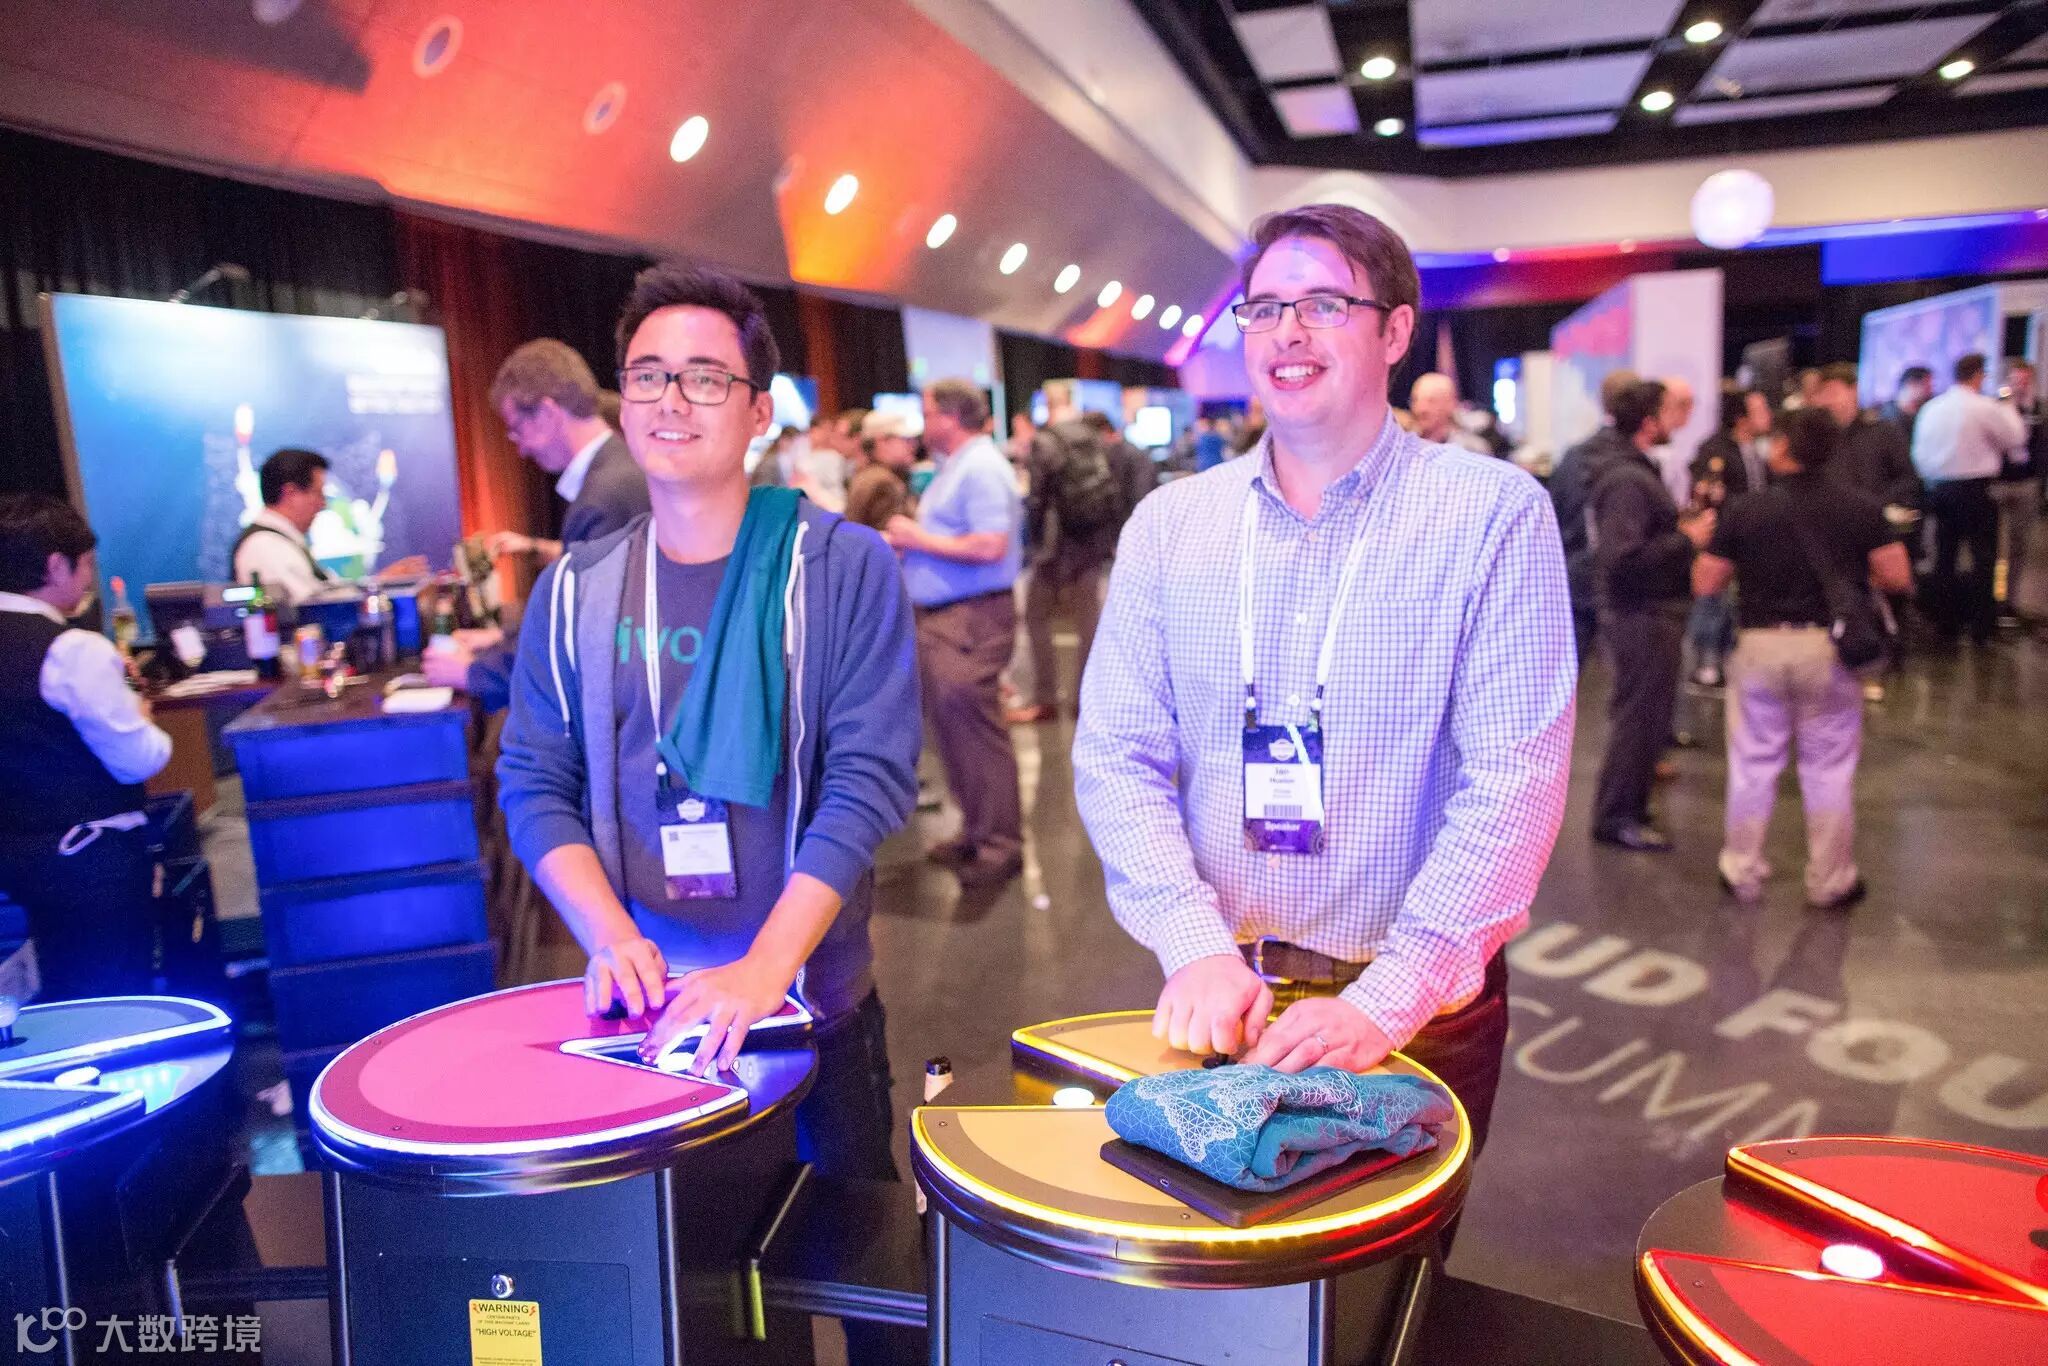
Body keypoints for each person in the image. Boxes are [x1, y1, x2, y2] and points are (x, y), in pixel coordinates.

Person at [1073, 203, 1574, 1163]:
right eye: (1263, 309)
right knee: (1213, 1244)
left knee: (1394, 1256)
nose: (1287, 333)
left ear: (1395, 330)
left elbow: (1515, 779)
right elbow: (1117, 753)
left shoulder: (1491, 513)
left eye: (1323, 304)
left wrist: (1390, 998)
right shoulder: (1172, 524)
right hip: (1219, 995)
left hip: (1415, 1008)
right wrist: (1191, 942)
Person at [495, 264, 921, 1364]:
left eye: (703, 376)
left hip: (813, 1007)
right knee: (708, 1308)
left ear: (757, 409)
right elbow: (533, 780)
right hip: (652, 1023)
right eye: (647, 375)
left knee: (866, 1291)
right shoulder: (578, 589)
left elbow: (865, 782)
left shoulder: (839, 569)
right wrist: (610, 937)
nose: (670, 400)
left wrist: (765, 967)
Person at [1693, 408, 1912, 908]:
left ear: (1783, 448)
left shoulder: (1747, 510)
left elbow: (1706, 582)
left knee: (1753, 762)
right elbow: (1897, 576)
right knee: (1828, 768)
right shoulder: (1860, 507)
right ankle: (1831, 879)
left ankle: (1741, 868)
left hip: (1760, 644)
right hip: (1828, 648)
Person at [0, 494, 172, 1000]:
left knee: (54, 1003)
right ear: (57, 565)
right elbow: (139, 759)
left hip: (16, 855)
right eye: (87, 565)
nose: (89, 580)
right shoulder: (71, 649)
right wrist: (138, 707)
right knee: (113, 999)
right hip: (88, 859)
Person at [423, 340, 652, 702]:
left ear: (546, 413)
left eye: (516, 428)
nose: (520, 447)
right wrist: (503, 639)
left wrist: (473, 672)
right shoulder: (616, 473)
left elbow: (581, 637)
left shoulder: (603, 498)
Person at [883, 379, 1025, 887]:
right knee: (955, 732)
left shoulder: (981, 467)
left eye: (927, 413)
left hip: (971, 618)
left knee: (976, 732)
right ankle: (977, 830)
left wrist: (917, 538)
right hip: (949, 617)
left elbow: (990, 545)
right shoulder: (958, 466)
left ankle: (1000, 843)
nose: (922, 424)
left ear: (950, 416)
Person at [1588, 379, 1717, 851]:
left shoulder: (1632, 471)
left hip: (1647, 611)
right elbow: (1621, 558)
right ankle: (1617, 816)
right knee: (1638, 717)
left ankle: (1628, 809)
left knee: (1647, 717)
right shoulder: (1627, 478)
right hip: (1640, 614)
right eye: (1668, 410)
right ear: (1648, 422)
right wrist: (1687, 540)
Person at [1005, 384, 1123, 726]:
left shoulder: (1045, 441)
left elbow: (1037, 500)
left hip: (1055, 545)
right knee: (1089, 620)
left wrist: (1033, 544)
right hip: (1091, 542)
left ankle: (1046, 698)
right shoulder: (1093, 436)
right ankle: (1087, 698)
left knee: (1035, 615)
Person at [1911, 353, 2027, 645]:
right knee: (1983, 558)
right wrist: (2008, 405)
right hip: (1975, 490)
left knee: (1944, 557)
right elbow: (2015, 438)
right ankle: (1981, 628)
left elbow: (1919, 454)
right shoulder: (1983, 407)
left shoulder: (1932, 408)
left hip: (1939, 489)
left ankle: (1945, 624)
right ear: (1978, 376)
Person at [1549, 369, 1640, 665]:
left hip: (1579, 577)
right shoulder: (1636, 461)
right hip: (1623, 588)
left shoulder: (1576, 456)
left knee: (1568, 673)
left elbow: (1557, 514)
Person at [1684, 384, 1769, 687]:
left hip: (1753, 540)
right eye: (1760, 410)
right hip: (1721, 538)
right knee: (1712, 599)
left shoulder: (1757, 451)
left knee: (1733, 603)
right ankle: (1705, 661)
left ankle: (1727, 658)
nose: (1768, 415)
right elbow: (1706, 493)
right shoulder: (1715, 450)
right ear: (1741, 418)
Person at [232, 447, 335, 604]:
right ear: (290, 493)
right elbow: (309, 606)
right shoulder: (264, 546)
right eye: (318, 493)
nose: (323, 504)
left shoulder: (280, 541)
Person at [1812, 364, 1919, 510]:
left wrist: (1877, 506)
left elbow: (1907, 479)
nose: (1827, 401)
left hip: (1880, 515)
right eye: (1823, 395)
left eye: (1833, 393)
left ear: (1854, 390)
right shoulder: (1818, 439)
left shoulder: (1882, 431)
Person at [1993, 360, 2042, 624]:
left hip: (2027, 483)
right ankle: (1989, 600)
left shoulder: (2038, 410)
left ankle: (2010, 602)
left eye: (2025, 381)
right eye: (2016, 380)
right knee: (1991, 544)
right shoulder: (1995, 408)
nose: (2020, 386)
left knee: (2019, 545)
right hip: (1998, 482)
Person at [843, 410, 915, 532]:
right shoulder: (883, 483)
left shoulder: (867, 475)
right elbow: (893, 538)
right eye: (905, 439)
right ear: (882, 442)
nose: (912, 445)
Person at [1407, 372, 1492, 454]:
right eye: (1415, 400)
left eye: (1431, 401)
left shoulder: (1472, 450)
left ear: (1451, 404)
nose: (1421, 409)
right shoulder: (1406, 447)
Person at [1648, 376, 1697, 509]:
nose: (1689, 410)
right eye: (1683, 404)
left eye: (1691, 403)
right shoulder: (1649, 450)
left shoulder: (1671, 444)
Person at [1882, 365, 1934, 440]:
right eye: (1927, 387)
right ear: (1912, 384)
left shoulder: (1919, 413)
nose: (1931, 391)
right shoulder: (1888, 418)